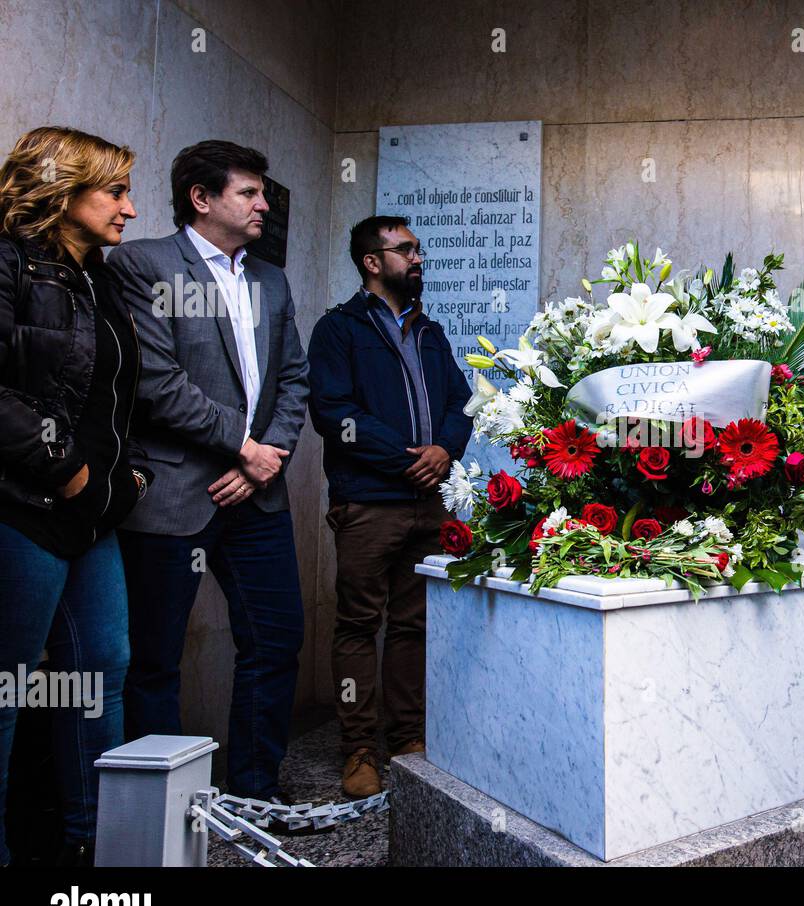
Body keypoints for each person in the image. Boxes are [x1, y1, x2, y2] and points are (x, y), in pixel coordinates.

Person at [108, 141, 309, 803]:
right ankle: (161, 816)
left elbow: (294, 382)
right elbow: (156, 384)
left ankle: (256, 791)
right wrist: (242, 447)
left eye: (263, 193)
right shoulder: (142, 264)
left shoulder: (271, 280)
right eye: (249, 193)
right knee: (155, 660)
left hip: (258, 496)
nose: (263, 204)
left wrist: (262, 461)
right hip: (172, 495)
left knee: (276, 640)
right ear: (202, 198)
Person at [0, 126, 149, 866]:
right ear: (62, 189)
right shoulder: (8, 261)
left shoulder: (100, 278)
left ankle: (95, 850)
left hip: (94, 518)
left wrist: (127, 480)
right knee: (8, 687)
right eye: (115, 190)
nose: (129, 207)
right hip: (23, 505)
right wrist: (66, 470)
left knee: (102, 671)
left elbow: (121, 398)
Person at [307, 215, 470, 797]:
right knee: (357, 625)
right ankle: (358, 751)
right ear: (372, 262)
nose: (418, 258)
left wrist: (445, 448)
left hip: (430, 506)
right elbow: (333, 413)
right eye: (406, 250)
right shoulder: (338, 329)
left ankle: (407, 741)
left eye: (418, 249)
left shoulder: (431, 331)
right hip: (369, 504)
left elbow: (461, 400)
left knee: (415, 624)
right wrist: (407, 457)